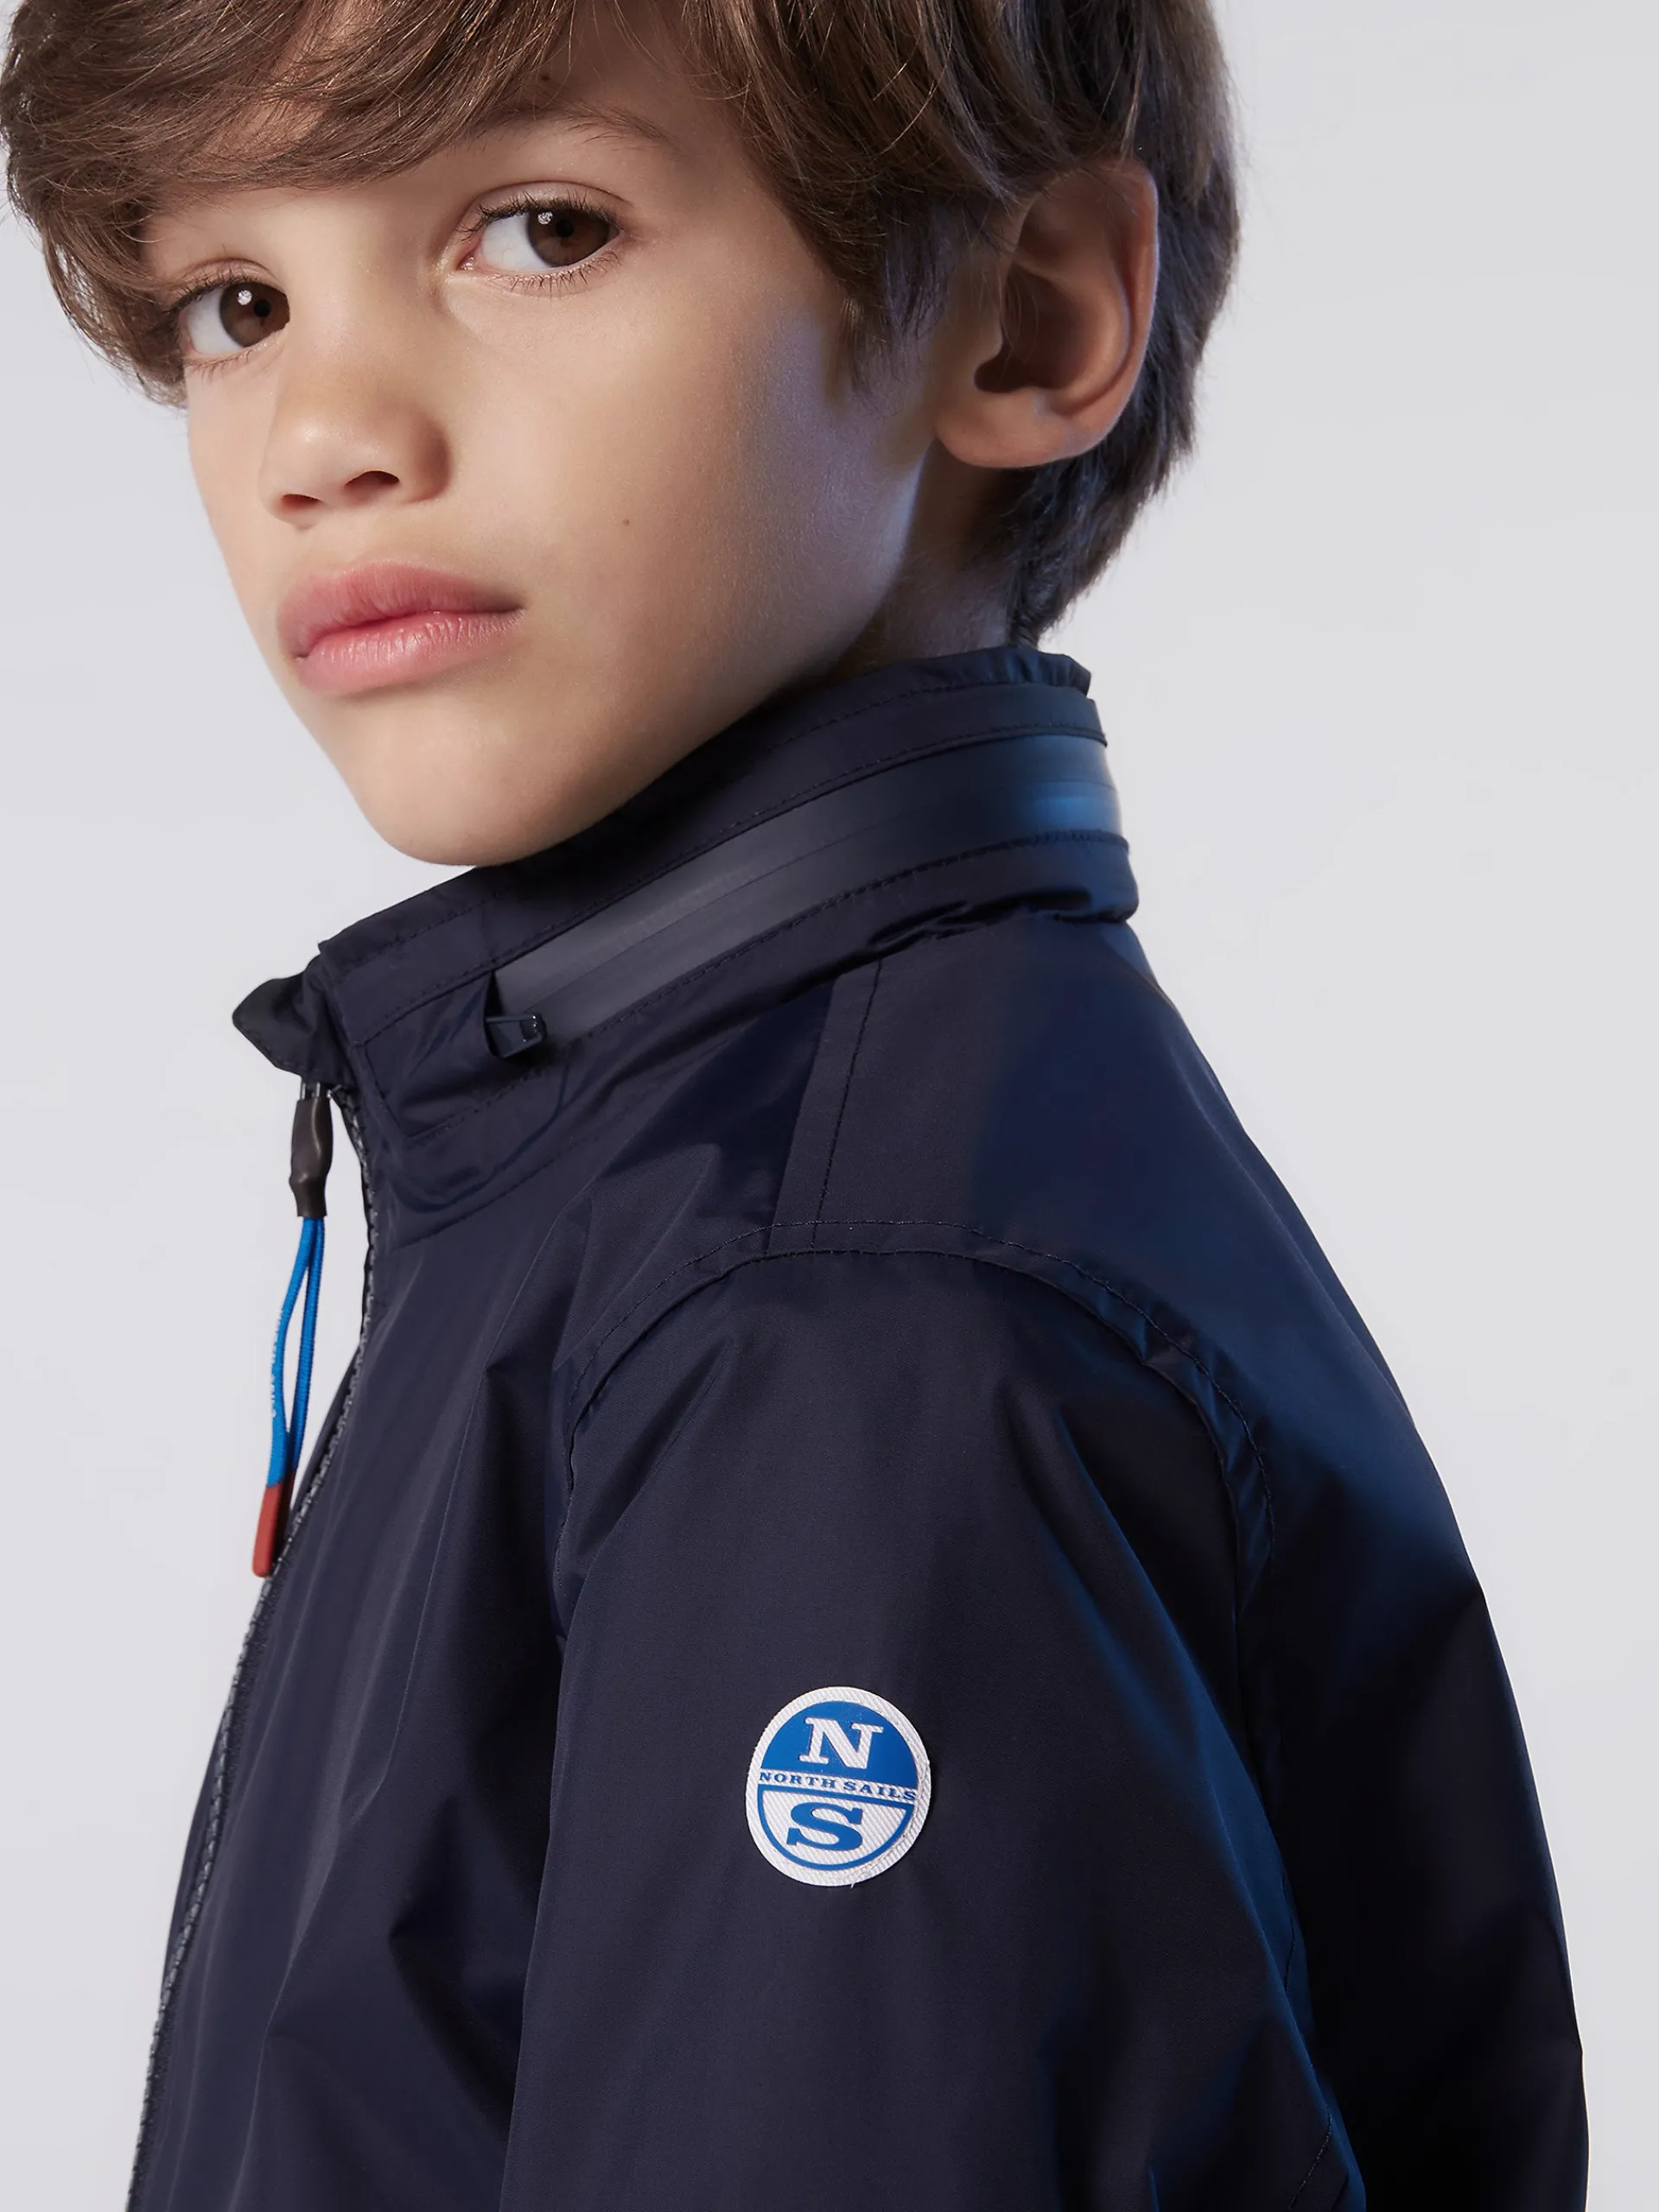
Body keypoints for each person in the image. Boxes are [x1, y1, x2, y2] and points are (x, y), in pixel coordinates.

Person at [1, 2, 1588, 2207]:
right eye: (238, 303)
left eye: (541, 229)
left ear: (1030, 316)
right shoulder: (676, 1174)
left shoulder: (835, 1325)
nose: (326, 434)